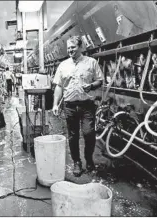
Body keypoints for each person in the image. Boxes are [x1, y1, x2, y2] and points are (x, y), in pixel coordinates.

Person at [52, 36, 103, 177]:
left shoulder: (91, 62)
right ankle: (77, 162)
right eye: (68, 47)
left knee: (89, 133)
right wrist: (55, 104)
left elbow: (100, 80)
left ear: (81, 47)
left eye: (73, 47)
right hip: (70, 106)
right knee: (73, 136)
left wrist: (91, 86)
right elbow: (59, 86)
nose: (70, 50)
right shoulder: (63, 65)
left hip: (87, 105)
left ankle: (89, 159)